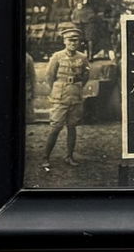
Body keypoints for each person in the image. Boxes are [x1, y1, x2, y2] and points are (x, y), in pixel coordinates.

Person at [41, 27, 90, 168]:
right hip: (60, 96)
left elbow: (86, 75)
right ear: (64, 41)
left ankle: (69, 156)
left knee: (72, 127)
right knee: (56, 127)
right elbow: (49, 76)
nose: (73, 43)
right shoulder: (57, 56)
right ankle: (45, 157)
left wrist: (77, 87)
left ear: (79, 42)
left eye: (76, 41)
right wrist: (57, 89)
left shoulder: (82, 57)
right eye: (70, 40)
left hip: (75, 95)